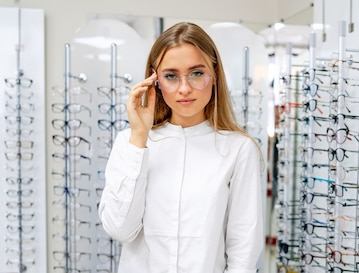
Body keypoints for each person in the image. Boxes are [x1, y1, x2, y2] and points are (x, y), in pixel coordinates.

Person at [98, 22, 265, 273]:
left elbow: (244, 249)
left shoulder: (239, 150)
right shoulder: (130, 142)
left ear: (215, 74)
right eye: (171, 76)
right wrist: (139, 139)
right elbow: (120, 229)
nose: (184, 88)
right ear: (155, 80)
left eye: (197, 73)